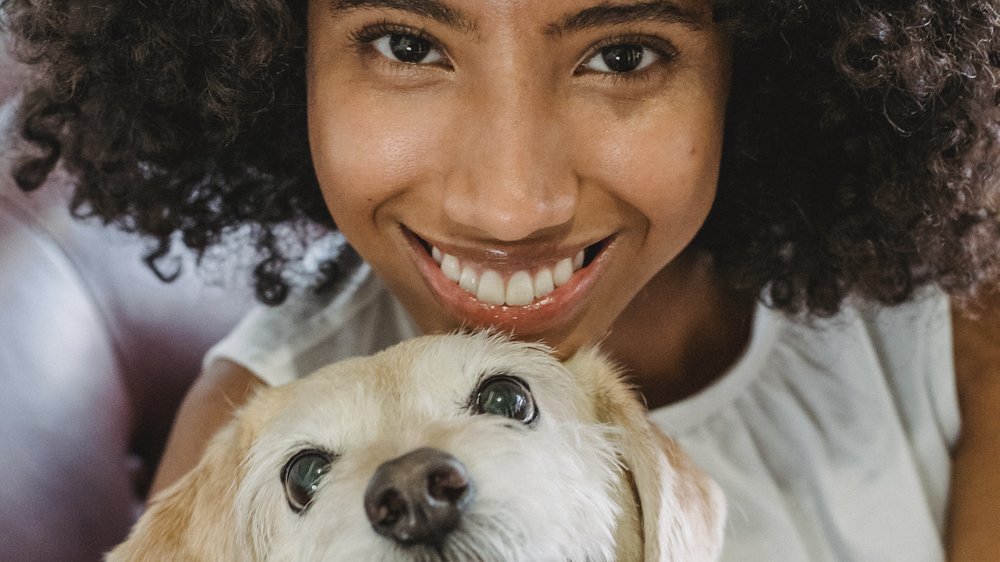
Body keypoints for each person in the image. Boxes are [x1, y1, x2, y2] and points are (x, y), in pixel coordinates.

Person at [3, 0, 998, 559]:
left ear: (759, 62)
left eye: (622, 53)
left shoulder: (962, 324)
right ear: (277, 59)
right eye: (406, 44)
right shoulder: (239, 445)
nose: (511, 204)